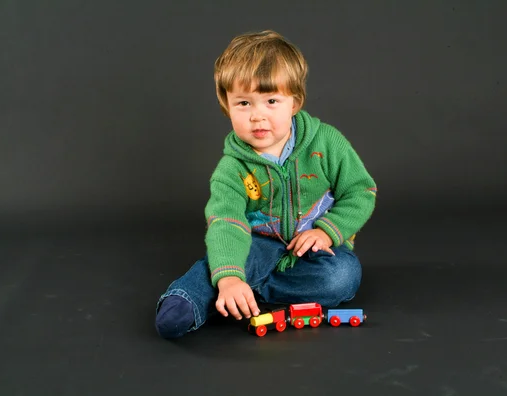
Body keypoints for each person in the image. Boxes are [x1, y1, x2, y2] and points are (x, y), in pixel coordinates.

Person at [155, 30, 377, 339]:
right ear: (226, 105)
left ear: (294, 102)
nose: (257, 116)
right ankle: (197, 296)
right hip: (255, 245)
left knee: (342, 277)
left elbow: (360, 191)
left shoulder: (327, 143)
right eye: (244, 103)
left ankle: (242, 294)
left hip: (310, 249)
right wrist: (230, 275)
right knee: (232, 264)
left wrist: (327, 230)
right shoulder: (232, 168)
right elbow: (227, 222)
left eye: (271, 100)